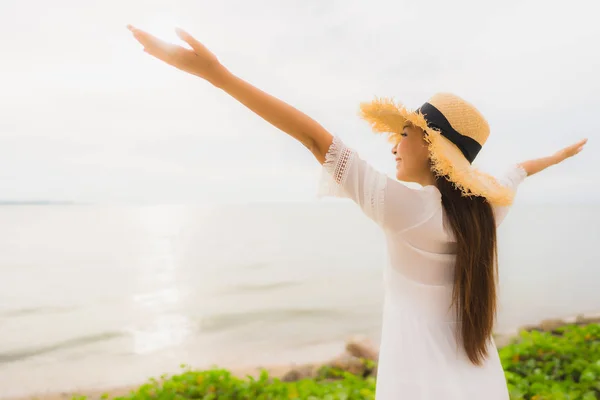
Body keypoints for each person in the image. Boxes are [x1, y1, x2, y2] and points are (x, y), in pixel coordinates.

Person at [126, 25, 588, 399]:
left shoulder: (408, 209)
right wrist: (556, 158)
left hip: (417, 386)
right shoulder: (485, 212)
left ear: (432, 149)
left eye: (404, 134)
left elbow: (314, 139)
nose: (393, 143)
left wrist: (217, 75)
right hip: (480, 384)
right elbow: (516, 172)